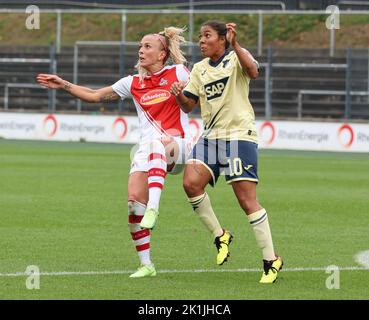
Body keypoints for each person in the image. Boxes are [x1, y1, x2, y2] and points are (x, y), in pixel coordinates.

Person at [36, 27, 193, 278]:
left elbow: (194, 97)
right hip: (148, 150)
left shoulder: (179, 71)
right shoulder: (133, 82)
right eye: (140, 46)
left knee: (157, 145)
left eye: (147, 46)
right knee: (133, 206)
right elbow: (94, 95)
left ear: (163, 53)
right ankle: (146, 264)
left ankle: (154, 207)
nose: (141, 50)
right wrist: (64, 84)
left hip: (179, 145)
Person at [170, 21, 283, 284]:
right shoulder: (198, 69)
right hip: (211, 139)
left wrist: (236, 45)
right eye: (200, 36)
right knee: (190, 183)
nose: (201, 40)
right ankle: (220, 235)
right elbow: (188, 106)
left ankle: (271, 260)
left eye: (207, 35)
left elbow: (254, 71)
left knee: (246, 201)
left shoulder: (236, 59)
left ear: (223, 39)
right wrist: (178, 96)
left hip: (238, 137)